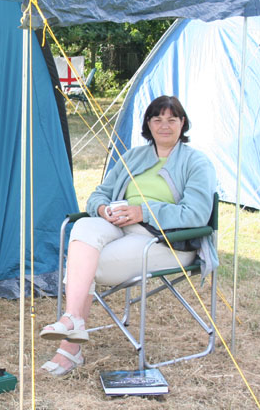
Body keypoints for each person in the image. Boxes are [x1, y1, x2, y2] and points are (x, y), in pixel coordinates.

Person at [39, 95, 216, 376]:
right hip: (119, 225)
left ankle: (69, 349)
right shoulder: (133, 157)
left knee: (84, 265)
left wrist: (143, 212)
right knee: (83, 229)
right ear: (148, 124)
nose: (164, 125)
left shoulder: (196, 163)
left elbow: (195, 214)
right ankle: (74, 320)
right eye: (157, 119)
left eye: (172, 119)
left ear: (183, 123)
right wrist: (101, 208)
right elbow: (99, 193)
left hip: (165, 240)